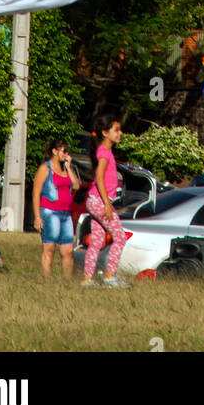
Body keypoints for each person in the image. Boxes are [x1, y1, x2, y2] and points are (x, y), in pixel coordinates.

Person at [82, 111, 129, 287]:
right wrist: (107, 204)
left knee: (96, 242)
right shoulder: (104, 153)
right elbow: (99, 178)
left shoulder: (105, 151)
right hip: (100, 201)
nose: (120, 133)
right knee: (120, 237)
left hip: (94, 200)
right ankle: (110, 276)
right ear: (105, 133)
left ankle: (87, 279)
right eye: (116, 130)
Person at [32, 139, 80, 279]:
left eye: (67, 151)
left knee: (68, 250)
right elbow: (36, 193)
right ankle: (47, 279)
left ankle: (67, 280)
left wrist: (69, 167)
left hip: (66, 214)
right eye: (64, 151)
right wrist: (37, 217)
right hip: (50, 212)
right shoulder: (45, 169)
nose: (66, 154)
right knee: (50, 248)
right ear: (54, 151)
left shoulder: (65, 169)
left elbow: (76, 186)